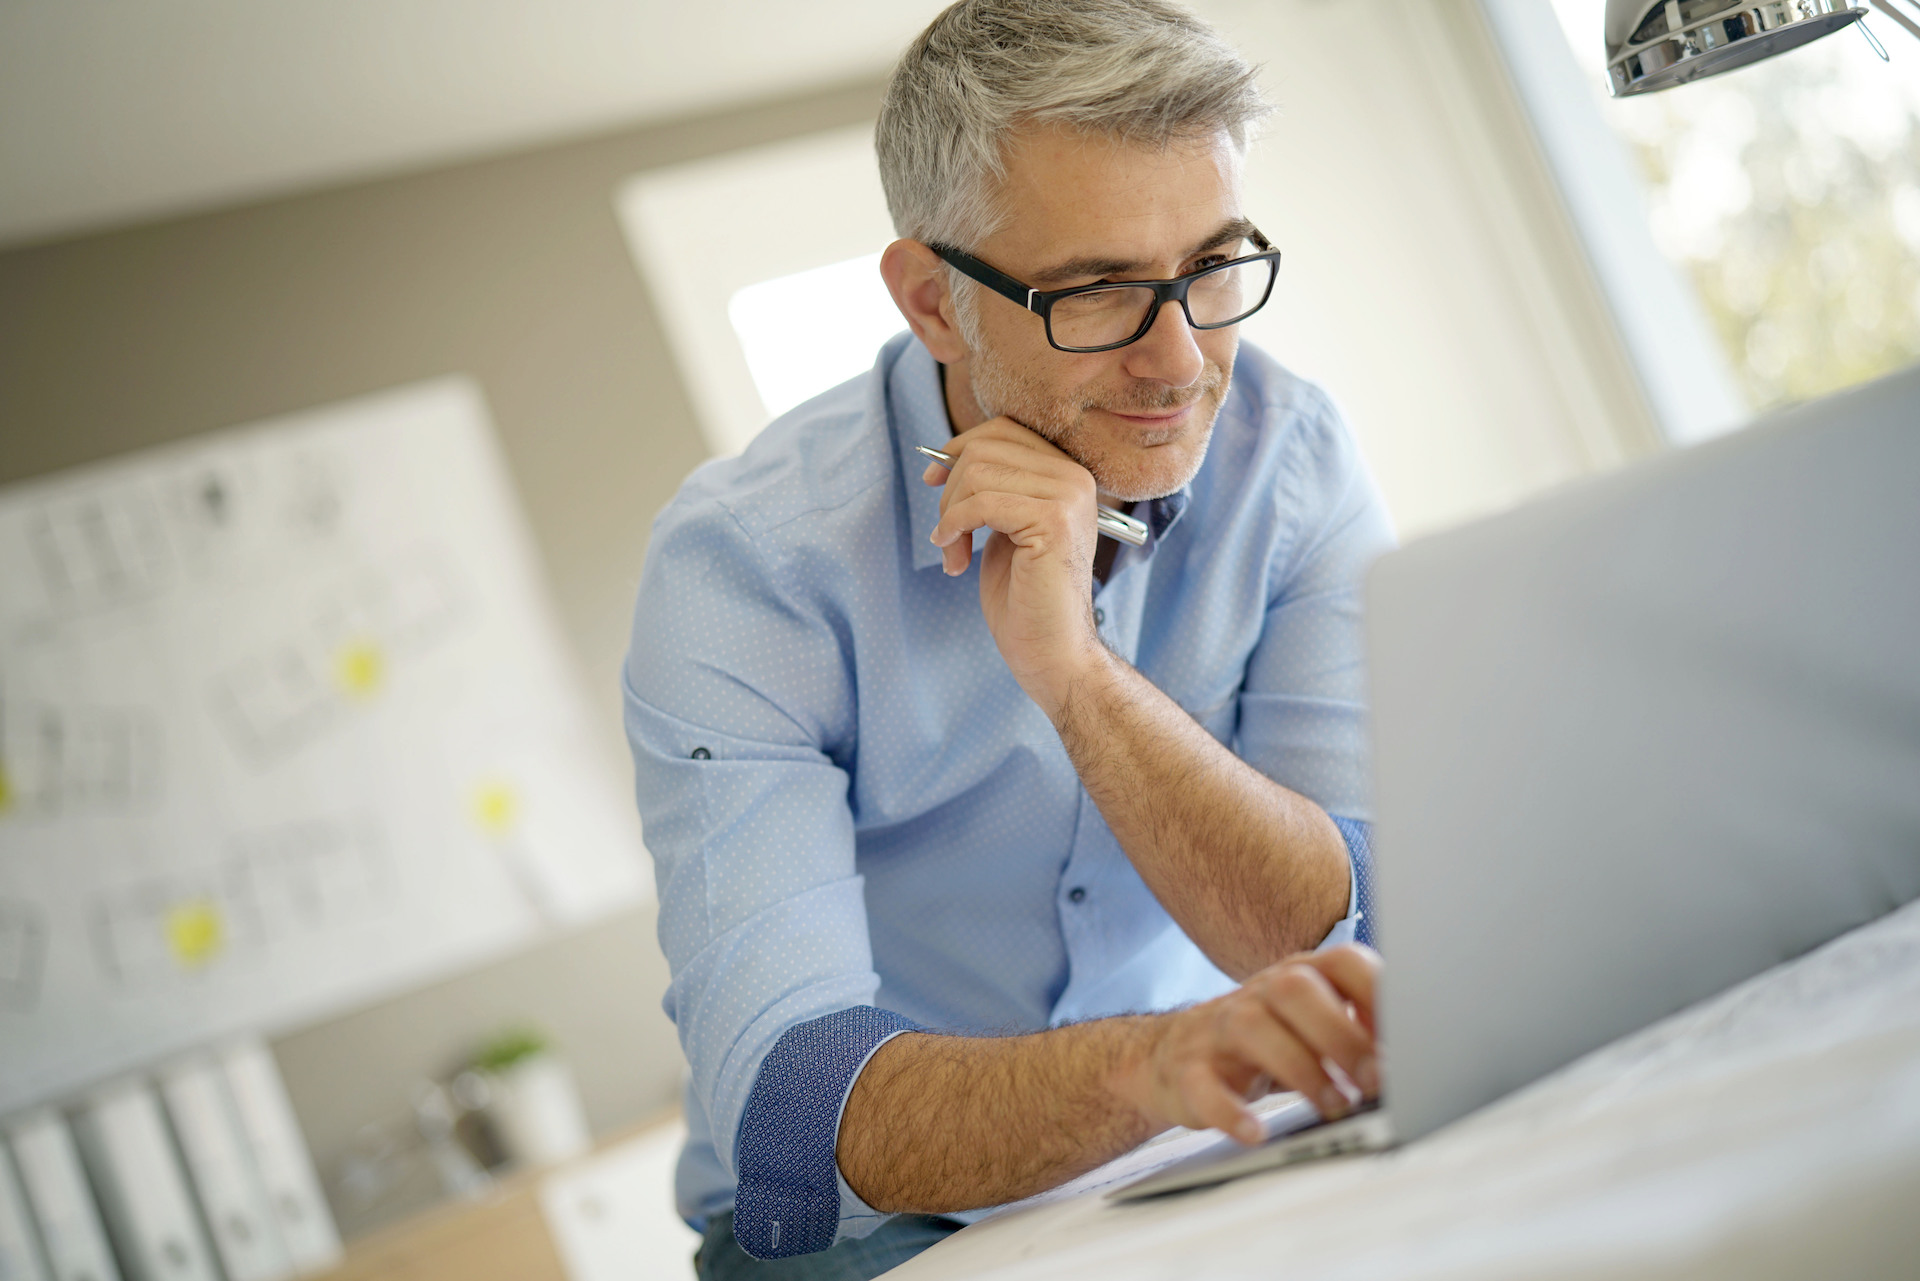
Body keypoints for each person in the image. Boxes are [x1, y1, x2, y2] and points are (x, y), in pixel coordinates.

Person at [624, 1, 1396, 1275]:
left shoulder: (1292, 462)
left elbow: (1343, 934)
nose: (1182, 358)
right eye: (1095, 293)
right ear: (933, 301)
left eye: (1213, 265)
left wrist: (1078, 679)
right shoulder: (746, 567)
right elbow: (794, 1104)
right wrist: (1151, 1065)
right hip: (875, 1239)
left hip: (1194, 1145)